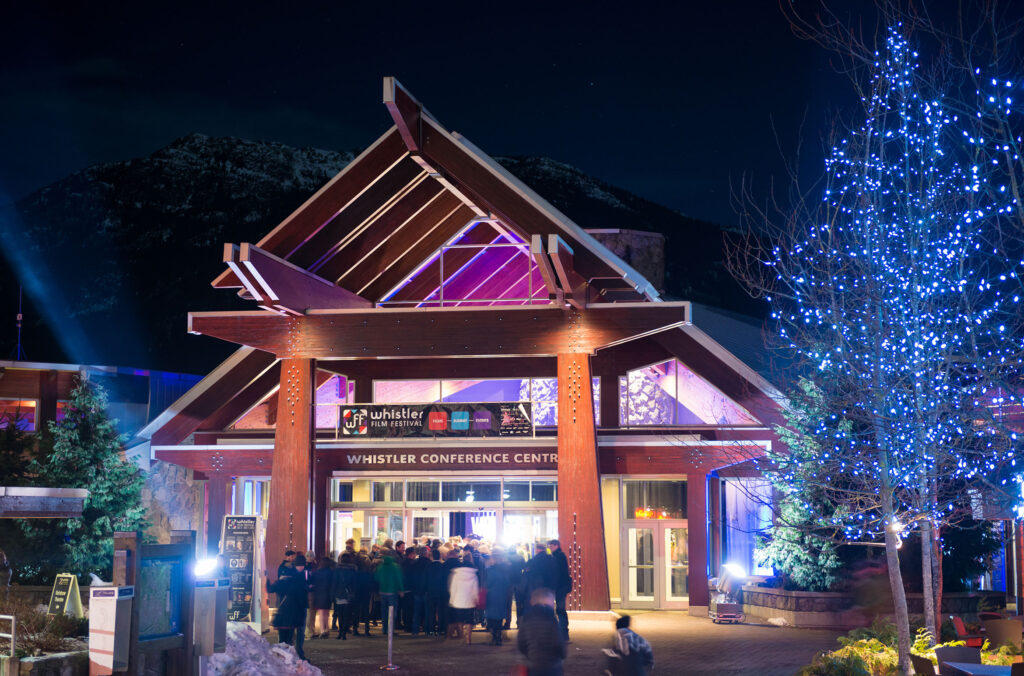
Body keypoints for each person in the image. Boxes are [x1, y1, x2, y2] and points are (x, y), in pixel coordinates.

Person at [267, 554, 309, 660]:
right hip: (294, 612)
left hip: (284, 612)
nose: (302, 567)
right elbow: (302, 597)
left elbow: (271, 589)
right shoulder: (298, 580)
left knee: (283, 638)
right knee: (291, 637)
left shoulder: (284, 580)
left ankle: (284, 657)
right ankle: (293, 657)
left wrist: (266, 580)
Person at [517, 588, 566, 676]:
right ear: (546, 601)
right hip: (552, 665)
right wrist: (562, 654)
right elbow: (558, 642)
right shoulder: (551, 619)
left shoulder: (527, 618)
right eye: (552, 601)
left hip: (534, 665)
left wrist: (530, 655)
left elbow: (521, 643)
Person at [447, 555, 479, 644]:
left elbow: (453, 589)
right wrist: (476, 598)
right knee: (469, 620)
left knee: (460, 619)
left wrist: (452, 600)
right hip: (470, 601)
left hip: (458, 601)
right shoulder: (474, 576)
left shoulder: (456, 575)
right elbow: (475, 590)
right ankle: (468, 638)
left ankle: (461, 635)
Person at [483, 552, 512, 646]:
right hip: (502, 595)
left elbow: (488, 583)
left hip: (492, 595)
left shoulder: (490, 570)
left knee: (491, 617)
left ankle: (494, 636)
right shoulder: (505, 570)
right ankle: (498, 636)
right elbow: (508, 583)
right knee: (499, 617)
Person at [374, 552, 404, 636]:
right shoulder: (396, 567)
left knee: (384, 611)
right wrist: (401, 590)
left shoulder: (380, 567)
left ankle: (384, 629)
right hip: (392, 591)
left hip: (382, 591)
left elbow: (376, 578)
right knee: (392, 612)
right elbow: (399, 579)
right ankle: (390, 629)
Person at [548, 539, 573, 641]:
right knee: (560, 609)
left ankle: (563, 633)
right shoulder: (558, 556)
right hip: (560, 587)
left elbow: (559, 573)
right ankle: (562, 633)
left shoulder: (558, 557)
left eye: (551, 546)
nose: (549, 548)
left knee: (560, 609)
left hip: (559, 587)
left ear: (556, 546)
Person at [331, 553, 357, 640]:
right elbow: (354, 583)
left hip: (339, 593)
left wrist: (333, 593)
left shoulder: (337, 569)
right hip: (348, 594)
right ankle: (344, 633)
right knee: (347, 615)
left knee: (340, 614)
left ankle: (340, 632)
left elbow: (334, 582)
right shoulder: (353, 569)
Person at [408, 547, 431, 636]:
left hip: (417, 590)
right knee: (427, 612)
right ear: (426, 554)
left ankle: (415, 630)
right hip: (426, 590)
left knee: (416, 612)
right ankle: (427, 630)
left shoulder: (414, 563)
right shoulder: (429, 564)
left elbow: (412, 577)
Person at [309, 557, 334, 638]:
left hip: (319, 594)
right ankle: (327, 629)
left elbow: (312, 581)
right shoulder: (331, 572)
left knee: (321, 613)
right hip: (328, 594)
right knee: (326, 613)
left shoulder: (317, 572)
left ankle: (323, 630)